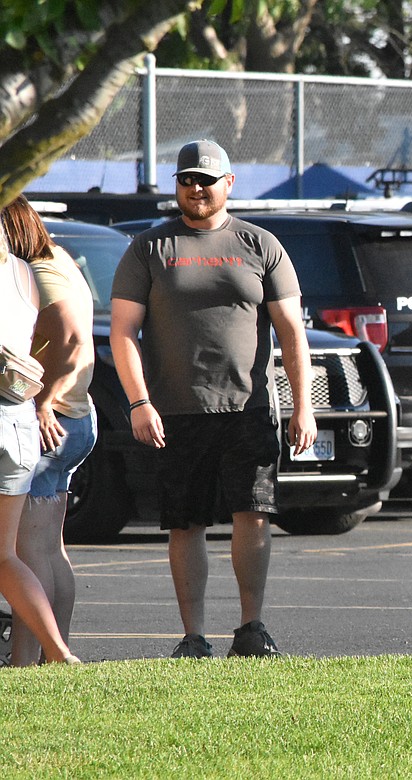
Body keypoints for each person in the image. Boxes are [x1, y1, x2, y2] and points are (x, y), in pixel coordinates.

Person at [110, 139, 317, 658]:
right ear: (176, 185)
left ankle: (252, 628)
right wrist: (139, 402)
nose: (196, 188)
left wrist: (303, 405)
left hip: (248, 408)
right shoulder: (148, 248)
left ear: (229, 184)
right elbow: (122, 334)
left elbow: (293, 332)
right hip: (175, 411)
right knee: (186, 522)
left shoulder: (261, 243)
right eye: (187, 179)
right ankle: (193, 636)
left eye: (206, 179)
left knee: (253, 513)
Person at [3, 196, 96, 666]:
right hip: (78, 417)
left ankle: (29, 662)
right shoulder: (59, 257)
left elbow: (75, 342)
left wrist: (44, 401)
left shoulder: (35, 268)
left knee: (25, 550)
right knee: (49, 547)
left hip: (50, 420)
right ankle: (52, 656)